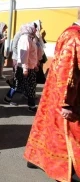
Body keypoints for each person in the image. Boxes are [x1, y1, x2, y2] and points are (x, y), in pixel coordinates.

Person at [24, 20, 80, 182]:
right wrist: (66, 102)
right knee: (65, 133)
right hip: (65, 94)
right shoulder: (74, 37)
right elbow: (67, 69)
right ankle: (68, 170)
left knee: (45, 127)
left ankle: (35, 158)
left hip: (55, 90)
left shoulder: (70, 33)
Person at [3, 23, 39, 112]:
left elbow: (31, 55)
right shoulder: (25, 39)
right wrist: (25, 68)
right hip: (26, 67)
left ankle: (7, 98)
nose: (35, 31)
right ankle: (32, 106)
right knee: (30, 86)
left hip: (28, 66)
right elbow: (24, 55)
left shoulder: (29, 38)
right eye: (34, 29)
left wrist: (35, 65)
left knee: (18, 84)